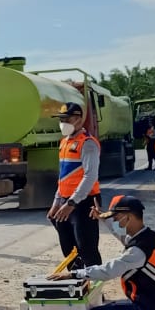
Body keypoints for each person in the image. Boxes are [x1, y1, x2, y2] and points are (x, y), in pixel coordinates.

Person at [48, 101, 102, 268]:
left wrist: (72, 203)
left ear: (78, 119)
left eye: (67, 119)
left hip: (85, 202)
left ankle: (96, 289)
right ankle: (77, 283)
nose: (63, 123)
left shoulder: (88, 143)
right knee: (68, 249)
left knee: (87, 248)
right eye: (61, 119)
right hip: (65, 200)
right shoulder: (64, 142)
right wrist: (57, 202)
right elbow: (63, 176)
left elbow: (90, 176)